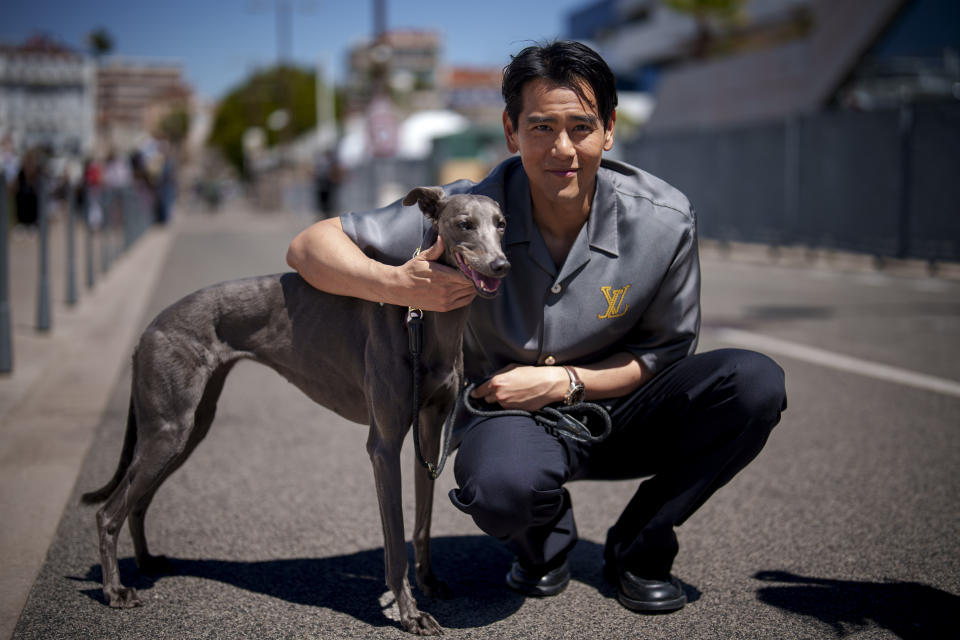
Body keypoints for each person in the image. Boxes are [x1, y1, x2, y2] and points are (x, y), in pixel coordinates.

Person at [286, 40, 787, 613]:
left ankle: (640, 544)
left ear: (609, 130)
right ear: (511, 130)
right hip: (509, 417)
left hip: (620, 407)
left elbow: (665, 354)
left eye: (581, 126)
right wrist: (395, 285)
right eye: (542, 126)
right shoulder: (467, 209)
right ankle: (543, 542)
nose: (563, 148)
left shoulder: (665, 220)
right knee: (499, 486)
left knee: (753, 383)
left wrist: (567, 382)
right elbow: (308, 247)